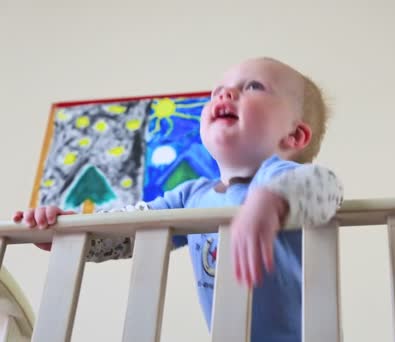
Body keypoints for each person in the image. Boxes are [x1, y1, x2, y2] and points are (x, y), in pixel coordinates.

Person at [12, 57, 343, 341]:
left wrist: (271, 202)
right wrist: (73, 232)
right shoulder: (191, 194)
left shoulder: (281, 176)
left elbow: (325, 184)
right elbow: (131, 230)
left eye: (253, 86)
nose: (225, 94)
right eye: (218, 91)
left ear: (295, 135)